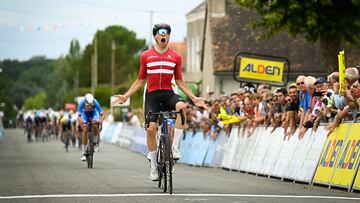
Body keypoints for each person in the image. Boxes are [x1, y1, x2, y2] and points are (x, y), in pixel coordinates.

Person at [113, 23, 207, 181]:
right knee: (151, 130)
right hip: (152, 96)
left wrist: (194, 98)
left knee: (182, 106)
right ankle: (154, 167)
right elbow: (140, 80)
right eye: (160, 33)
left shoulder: (176, 56)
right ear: (155, 36)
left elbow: (180, 81)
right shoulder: (146, 56)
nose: (163, 36)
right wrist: (126, 95)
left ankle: (175, 148)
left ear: (169, 36)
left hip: (168, 94)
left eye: (166, 33)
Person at [77, 93, 105, 161]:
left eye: (91, 105)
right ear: (85, 103)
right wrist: (81, 121)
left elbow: (102, 115)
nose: (89, 107)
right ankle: (83, 153)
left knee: (95, 124)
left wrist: (100, 120)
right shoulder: (81, 103)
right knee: (85, 129)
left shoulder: (96, 103)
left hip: (94, 113)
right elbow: (79, 117)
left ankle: (95, 141)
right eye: (87, 105)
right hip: (85, 114)